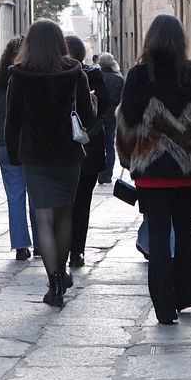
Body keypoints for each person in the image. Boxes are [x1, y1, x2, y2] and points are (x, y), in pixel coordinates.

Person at [117, 14, 191, 324]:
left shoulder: (138, 75)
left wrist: (130, 158)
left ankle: (164, 309)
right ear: (181, 40)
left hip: (151, 173)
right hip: (187, 171)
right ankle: (186, 295)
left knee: (159, 237)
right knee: (186, 232)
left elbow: (126, 121)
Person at [6, 19, 96, 308]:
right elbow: (89, 118)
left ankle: (54, 281)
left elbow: (13, 120)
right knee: (64, 217)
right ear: (60, 42)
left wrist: (13, 155)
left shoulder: (19, 76)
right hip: (67, 155)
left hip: (35, 155)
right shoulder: (75, 73)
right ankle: (62, 270)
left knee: (42, 218)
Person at [0, 37, 38, 260]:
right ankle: (43, 244)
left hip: (5, 145)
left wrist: (0, 128)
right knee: (36, 195)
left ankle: (21, 245)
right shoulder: (32, 79)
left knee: (15, 196)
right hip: (30, 145)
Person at [65, 35, 110, 268]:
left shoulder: (58, 76)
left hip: (65, 149)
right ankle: (77, 251)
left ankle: (62, 250)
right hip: (90, 144)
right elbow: (104, 106)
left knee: (64, 203)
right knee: (82, 203)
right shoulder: (94, 75)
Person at [97, 52, 124, 185]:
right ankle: (107, 174)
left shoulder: (95, 76)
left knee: (96, 145)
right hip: (112, 117)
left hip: (96, 116)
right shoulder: (119, 79)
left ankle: (98, 172)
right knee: (109, 146)